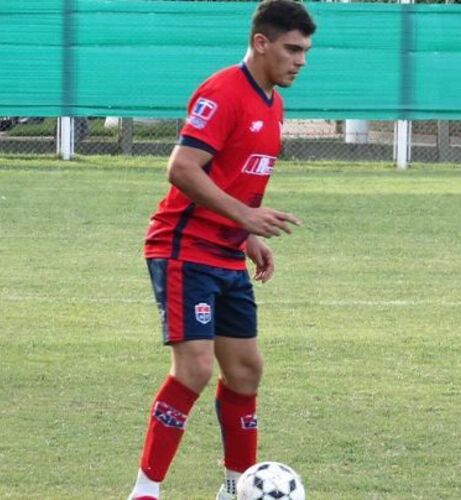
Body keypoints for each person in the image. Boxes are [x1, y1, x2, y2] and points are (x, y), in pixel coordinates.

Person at [128, 1, 315, 499]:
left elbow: (231, 177)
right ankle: (145, 490)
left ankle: (238, 488)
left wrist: (248, 235)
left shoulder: (273, 103)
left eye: (305, 51)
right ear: (261, 43)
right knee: (195, 368)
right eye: (292, 49)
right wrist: (244, 217)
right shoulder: (223, 91)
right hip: (184, 247)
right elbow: (183, 168)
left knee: (246, 370)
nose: (300, 61)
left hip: (227, 253)